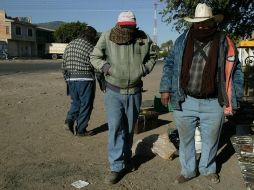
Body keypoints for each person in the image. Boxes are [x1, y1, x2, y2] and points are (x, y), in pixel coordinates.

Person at [159, 3, 244, 184]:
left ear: (213, 22)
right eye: (199, 23)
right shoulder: (182, 40)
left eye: (206, 22)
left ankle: (208, 168)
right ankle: (188, 170)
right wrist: (165, 88)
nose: (202, 26)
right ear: (193, 23)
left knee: (211, 140)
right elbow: (169, 64)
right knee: (186, 139)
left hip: (214, 101)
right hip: (185, 99)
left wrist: (234, 96)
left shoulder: (224, 41)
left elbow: (236, 70)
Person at [90, 10, 157, 184]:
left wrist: (143, 69)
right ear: (118, 24)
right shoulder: (107, 36)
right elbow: (94, 56)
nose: (127, 30)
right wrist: (107, 68)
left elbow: (153, 56)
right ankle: (115, 167)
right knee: (115, 129)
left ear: (135, 25)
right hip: (114, 92)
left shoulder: (143, 37)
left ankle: (127, 159)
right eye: (124, 26)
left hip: (134, 92)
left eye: (131, 26)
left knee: (128, 129)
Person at [62, 26, 98, 137]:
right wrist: (102, 82)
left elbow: (63, 64)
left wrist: (67, 80)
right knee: (86, 105)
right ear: (92, 36)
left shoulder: (70, 45)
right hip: (86, 79)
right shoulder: (90, 47)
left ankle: (69, 120)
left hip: (70, 78)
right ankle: (81, 130)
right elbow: (96, 65)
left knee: (76, 102)